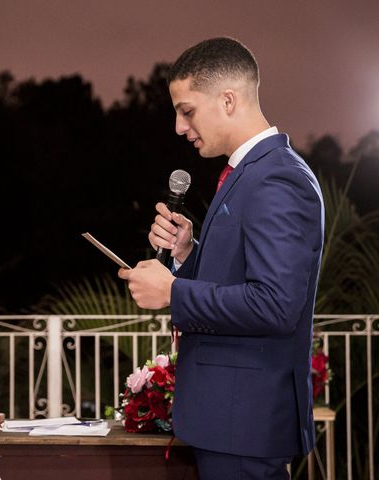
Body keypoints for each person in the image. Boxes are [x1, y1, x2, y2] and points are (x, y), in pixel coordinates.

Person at [118, 38, 324, 480]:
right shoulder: (249, 173)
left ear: (228, 100)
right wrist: (187, 254)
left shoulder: (277, 178)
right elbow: (239, 279)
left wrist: (173, 292)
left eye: (186, 110)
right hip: (231, 422)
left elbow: (275, 305)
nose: (178, 126)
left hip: (245, 424)